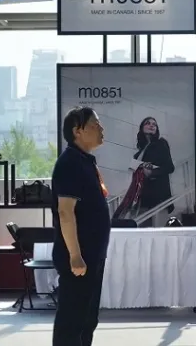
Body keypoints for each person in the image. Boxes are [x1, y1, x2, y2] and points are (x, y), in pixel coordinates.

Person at [52, 107, 111, 346]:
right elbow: (65, 212)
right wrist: (75, 255)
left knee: (87, 320)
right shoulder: (70, 163)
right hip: (79, 255)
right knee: (72, 321)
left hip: (92, 254)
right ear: (77, 131)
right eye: (95, 125)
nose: (101, 129)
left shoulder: (85, 161)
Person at [135, 116, 176, 227]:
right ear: (142, 128)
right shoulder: (139, 153)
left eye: (154, 124)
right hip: (143, 197)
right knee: (142, 231)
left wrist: (151, 173)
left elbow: (170, 167)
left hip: (159, 197)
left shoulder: (161, 143)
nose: (152, 125)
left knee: (157, 230)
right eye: (148, 123)